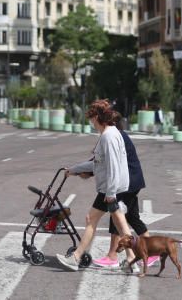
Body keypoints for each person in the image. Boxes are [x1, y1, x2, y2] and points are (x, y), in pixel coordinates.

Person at [57, 99, 133, 271]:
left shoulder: (109, 136)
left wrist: (111, 193)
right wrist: (74, 169)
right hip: (111, 188)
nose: (91, 123)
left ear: (98, 117)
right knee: (121, 226)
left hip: (110, 189)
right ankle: (132, 259)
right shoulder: (109, 134)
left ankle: (76, 257)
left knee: (93, 220)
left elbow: (113, 166)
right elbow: (98, 164)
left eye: (91, 119)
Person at [92, 114, 160, 270]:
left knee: (116, 215)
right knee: (132, 217)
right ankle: (153, 252)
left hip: (126, 182)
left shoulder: (114, 136)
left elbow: (105, 162)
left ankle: (112, 256)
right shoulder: (119, 135)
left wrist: (88, 171)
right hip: (133, 180)